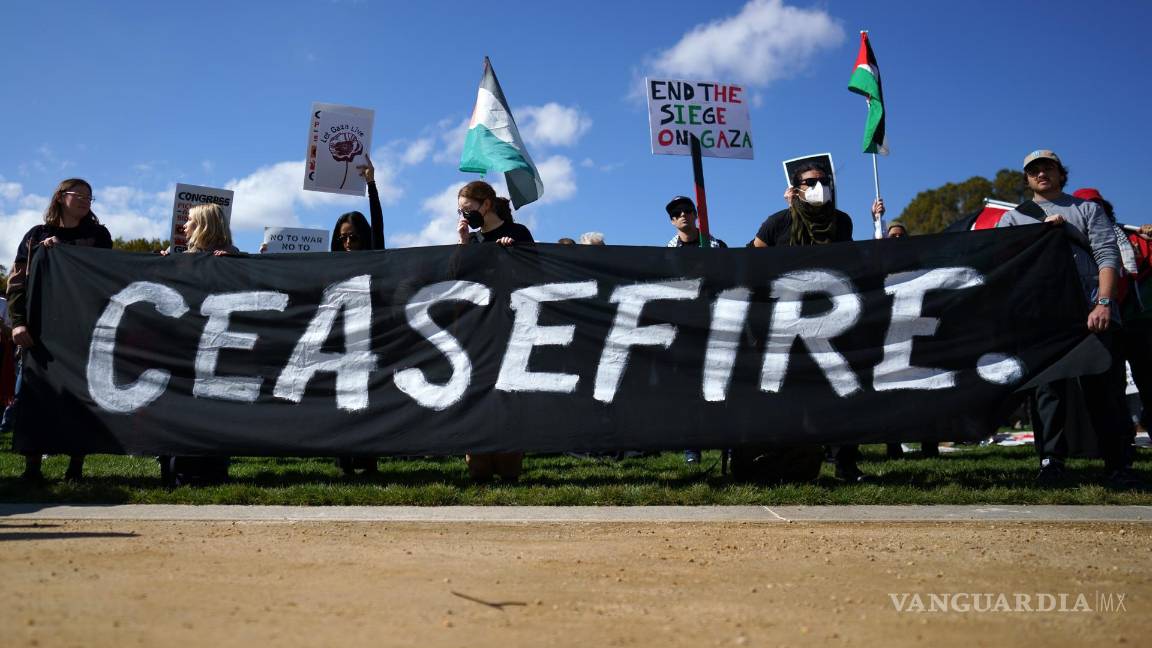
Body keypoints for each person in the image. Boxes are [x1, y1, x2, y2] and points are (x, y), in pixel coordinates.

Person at [997, 151, 1140, 489]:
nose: (1041, 173)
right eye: (1034, 170)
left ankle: (1117, 463)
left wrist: (1104, 302)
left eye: (1048, 167)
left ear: (1062, 174)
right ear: (1027, 179)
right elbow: (1006, 266)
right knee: (1048, 392)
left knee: (1105, 390)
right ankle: (1051, 463)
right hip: (1044, 316)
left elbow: (1108, 255)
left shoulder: (1086, 210)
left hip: (1093, 309)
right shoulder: (1014, 219)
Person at [752, 160, 883, 482]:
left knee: (843, 391)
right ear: (796, 189)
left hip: (833, 320)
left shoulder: (841, 222)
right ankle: (794, 465)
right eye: (810, 182)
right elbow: (750, 258)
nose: (819, 186)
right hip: (790, 323)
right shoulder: (777, 223)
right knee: (791, 397)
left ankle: (845, 465)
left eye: (824, 181)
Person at [8, 178, 112, 482]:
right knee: (34, 396)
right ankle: (31, 469)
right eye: (78, 195)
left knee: (80, 399)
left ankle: (75, 467)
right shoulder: (36, 236)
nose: (84, 201)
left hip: (81, 328)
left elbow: (105, 274)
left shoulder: (98, 236)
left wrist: (64, 252)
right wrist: (18, 323)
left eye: (89, 198)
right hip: (39, 329)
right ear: (60, 198)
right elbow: (17, 283)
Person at [457, 180, 533, 482]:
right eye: (460, 211)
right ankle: (477, 457)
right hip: (479, 330)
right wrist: (463, 245)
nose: (464, 215)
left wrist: (511, 256)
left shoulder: (518, 234)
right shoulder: (472, 241)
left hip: (512, 327)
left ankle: (509, 457)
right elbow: (456, 280)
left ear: (485, 205)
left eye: (468, 209)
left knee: (509, 393)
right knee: (480, 391)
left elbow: (535, 273)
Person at [664, 196, 724, 465]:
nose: (683, 215)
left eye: (688, 210)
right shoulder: (667, 250)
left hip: (715, 324)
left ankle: (727, 442)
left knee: (721, 386)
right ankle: (692, 447)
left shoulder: (715, 245)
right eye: (677, 213)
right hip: (683, 326)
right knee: (688, 388)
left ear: (696, 214)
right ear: (672, 220)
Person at [332, 157, 383, 476]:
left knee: (367, 404)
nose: (348, 243)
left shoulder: (375, 259)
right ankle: (344, 462)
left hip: (367, 341)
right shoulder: (330, 266)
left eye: (354, 237)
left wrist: (371, 185)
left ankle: (368, 460)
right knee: (340, 404)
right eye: (343, 238)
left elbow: (378, 226)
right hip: (338, 343)